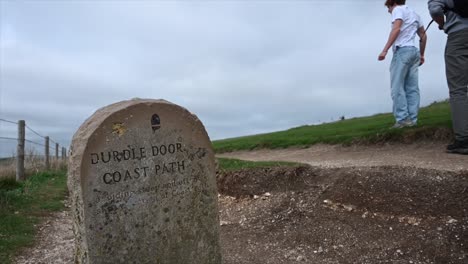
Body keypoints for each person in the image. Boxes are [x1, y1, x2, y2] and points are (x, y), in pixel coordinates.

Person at [378, 0, 427, 128]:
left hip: (402, 51)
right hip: (414, 52)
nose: (389, 11)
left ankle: (402, 119)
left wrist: (385, 49)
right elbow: (423, 35)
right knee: (412, 88)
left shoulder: (397, 10)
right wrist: (422, 55)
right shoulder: (415, 14)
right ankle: (412, 120)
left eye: (388, 8)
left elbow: (396, 28)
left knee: (397, 87)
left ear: (392, 3)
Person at [428, 0, 468, 155]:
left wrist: (442, 24)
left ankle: (464, 140)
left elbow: (436, 11)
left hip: (458, 37)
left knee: (458, 90)